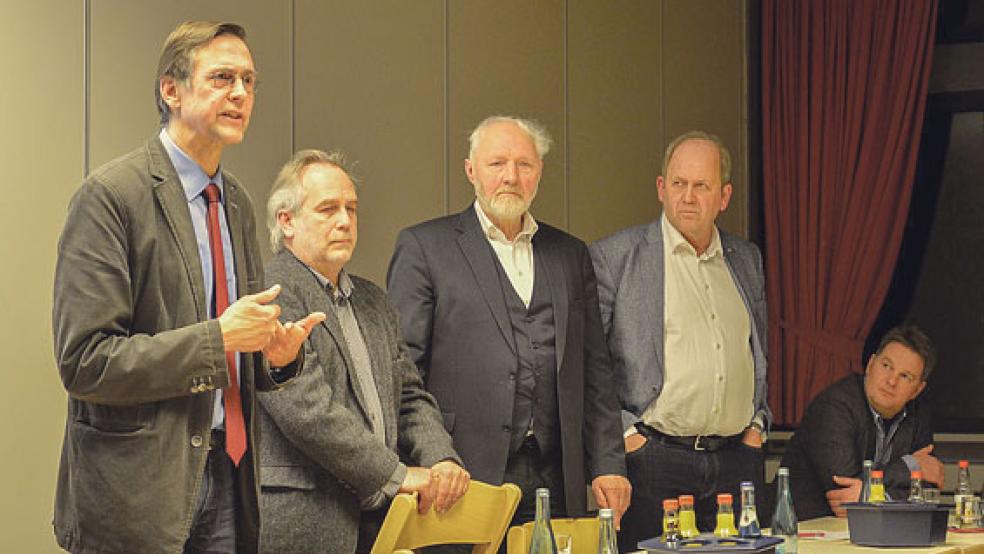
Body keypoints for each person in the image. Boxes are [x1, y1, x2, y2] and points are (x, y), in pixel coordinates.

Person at [52, 22, 324, 554]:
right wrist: (220, 337)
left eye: (249, 81)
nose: (241, 93)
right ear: (170, 90)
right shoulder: (110, 196)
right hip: (138, 491)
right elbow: (85, 361)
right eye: (223, 77)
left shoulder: (238, 202)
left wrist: (276, 357)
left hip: (229, 474)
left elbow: (234, 346)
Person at [386, 116, 631, 529]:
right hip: (461, 473)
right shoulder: (425, 247)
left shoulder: (570, 254)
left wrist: (609, 463)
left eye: (524, 165)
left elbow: (596, 372)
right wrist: (430, 457)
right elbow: (401, 372)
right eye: (496, 164)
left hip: (556, 475)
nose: (510, 177)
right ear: (471, 171)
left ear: (539, 173)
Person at [257, 150, 470, 554]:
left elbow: (410, 397)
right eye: (327, 209)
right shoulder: (269, 292)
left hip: (381, 521)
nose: (344, 221)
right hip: (303, 523)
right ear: (287, 221)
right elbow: (307, 411)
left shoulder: (373, 300)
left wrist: (442, 459)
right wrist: (396, 473)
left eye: (351, 209)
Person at [590, 130, 770, 550]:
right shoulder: (616, 257)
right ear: (661, 188)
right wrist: (627, 435)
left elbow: (757, 348)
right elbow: (589, 366)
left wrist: (758, 424)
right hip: (654, 461)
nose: (688, 197)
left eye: (701, 186)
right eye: (679, 184)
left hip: (736, 459)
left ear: (724, 196)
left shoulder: (746, 259)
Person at [780, 325, 942, 519]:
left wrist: (873, 494)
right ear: (870, 364)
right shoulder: (834, 406)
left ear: (917, 390)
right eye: (886, 366)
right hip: (804, 531)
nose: (891, 381)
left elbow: (927, 489)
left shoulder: (919, 415)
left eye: (905, 376)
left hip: (873, 533)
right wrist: (909, 466)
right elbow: (844, 491)